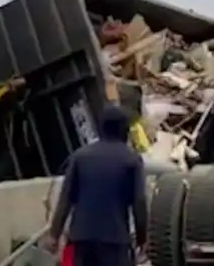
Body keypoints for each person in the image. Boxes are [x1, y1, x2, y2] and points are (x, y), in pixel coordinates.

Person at [45, 104, 148, 266]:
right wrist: (142, 238)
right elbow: (139, 202)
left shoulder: (80, 156)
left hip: (82, 238)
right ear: (124, 129)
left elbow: (66, 198)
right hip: (115, 240)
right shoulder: (131, 159)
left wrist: (54, 234)